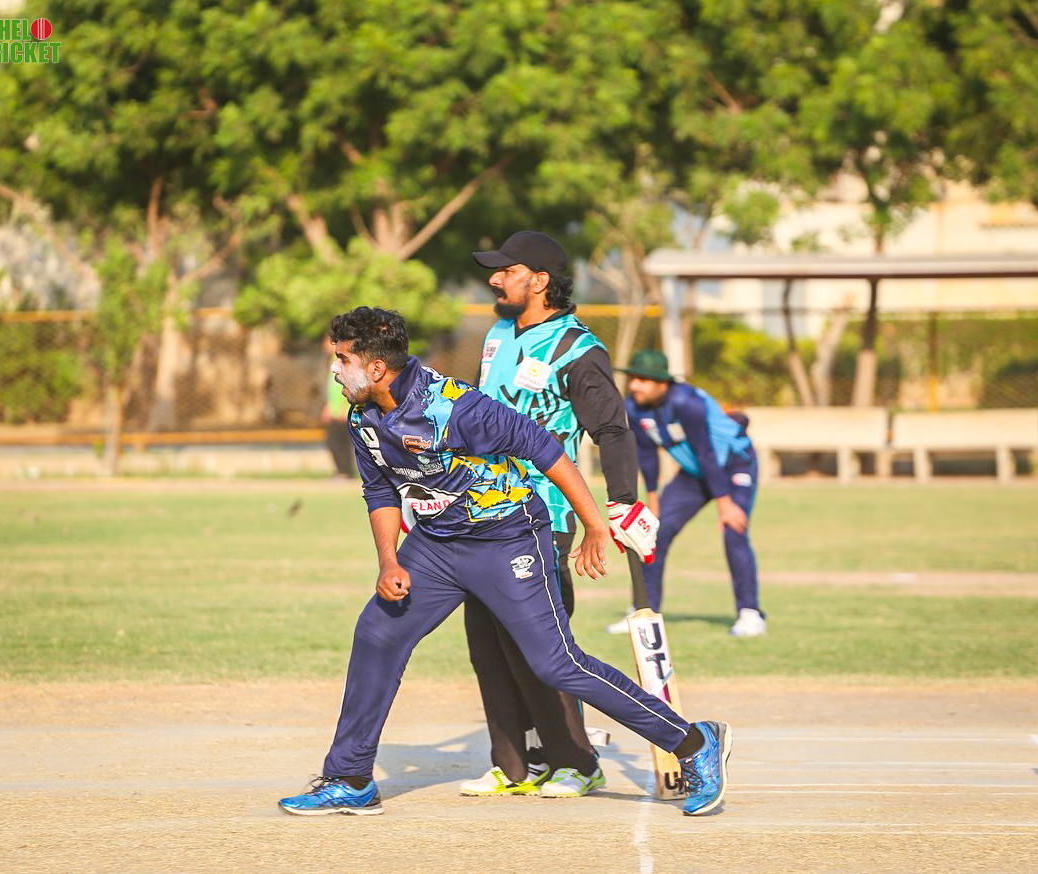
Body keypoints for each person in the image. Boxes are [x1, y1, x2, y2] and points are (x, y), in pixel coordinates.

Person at [278, 307, 729, 818]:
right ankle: (351, 778)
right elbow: (380, 490)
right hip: (436, 545)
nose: (335, 369)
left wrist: (595, 525)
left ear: (376, 368)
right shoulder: (363, 416)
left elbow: (543, 447)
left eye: (342, 359)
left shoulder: (455, 406)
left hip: (508, 539)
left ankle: (695, 742)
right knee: (377, 634)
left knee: (556, 663)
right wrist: (388, 562)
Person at [461, 230, 660, 799]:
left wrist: (621, 503)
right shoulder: (497, 335)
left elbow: (612, 430)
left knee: (542, 646)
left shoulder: (577, 348)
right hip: (478, 508)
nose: (495, 279)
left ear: (540, 281)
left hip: (541, 512)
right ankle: (514, 763)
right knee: (488, 645)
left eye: (507, 271)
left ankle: (576, 760)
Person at [616, 349, 765, 638]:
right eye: (633, 378)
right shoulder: (633, 407)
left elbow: (706, 452)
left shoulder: (687, 402)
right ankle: (644, 612)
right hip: (694, 474)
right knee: (654, 533)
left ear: (662, 383)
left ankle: (751, 614)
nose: (634, 385)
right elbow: (646, 454)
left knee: (733, 529)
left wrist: (725, 505)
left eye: (642, 380)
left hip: (733, 464)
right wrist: (653, 501)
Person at [321, 335, 354, 478]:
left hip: (342, 412)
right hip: (334, 411)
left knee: (340, 442)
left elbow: (348, 385)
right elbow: (333, 388)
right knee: (333, 441)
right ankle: (342, 471)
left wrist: (344, 408)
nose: (324, 345)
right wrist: (328, 406)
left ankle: (344, 472)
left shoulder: (343, 362)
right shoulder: (332, 362)